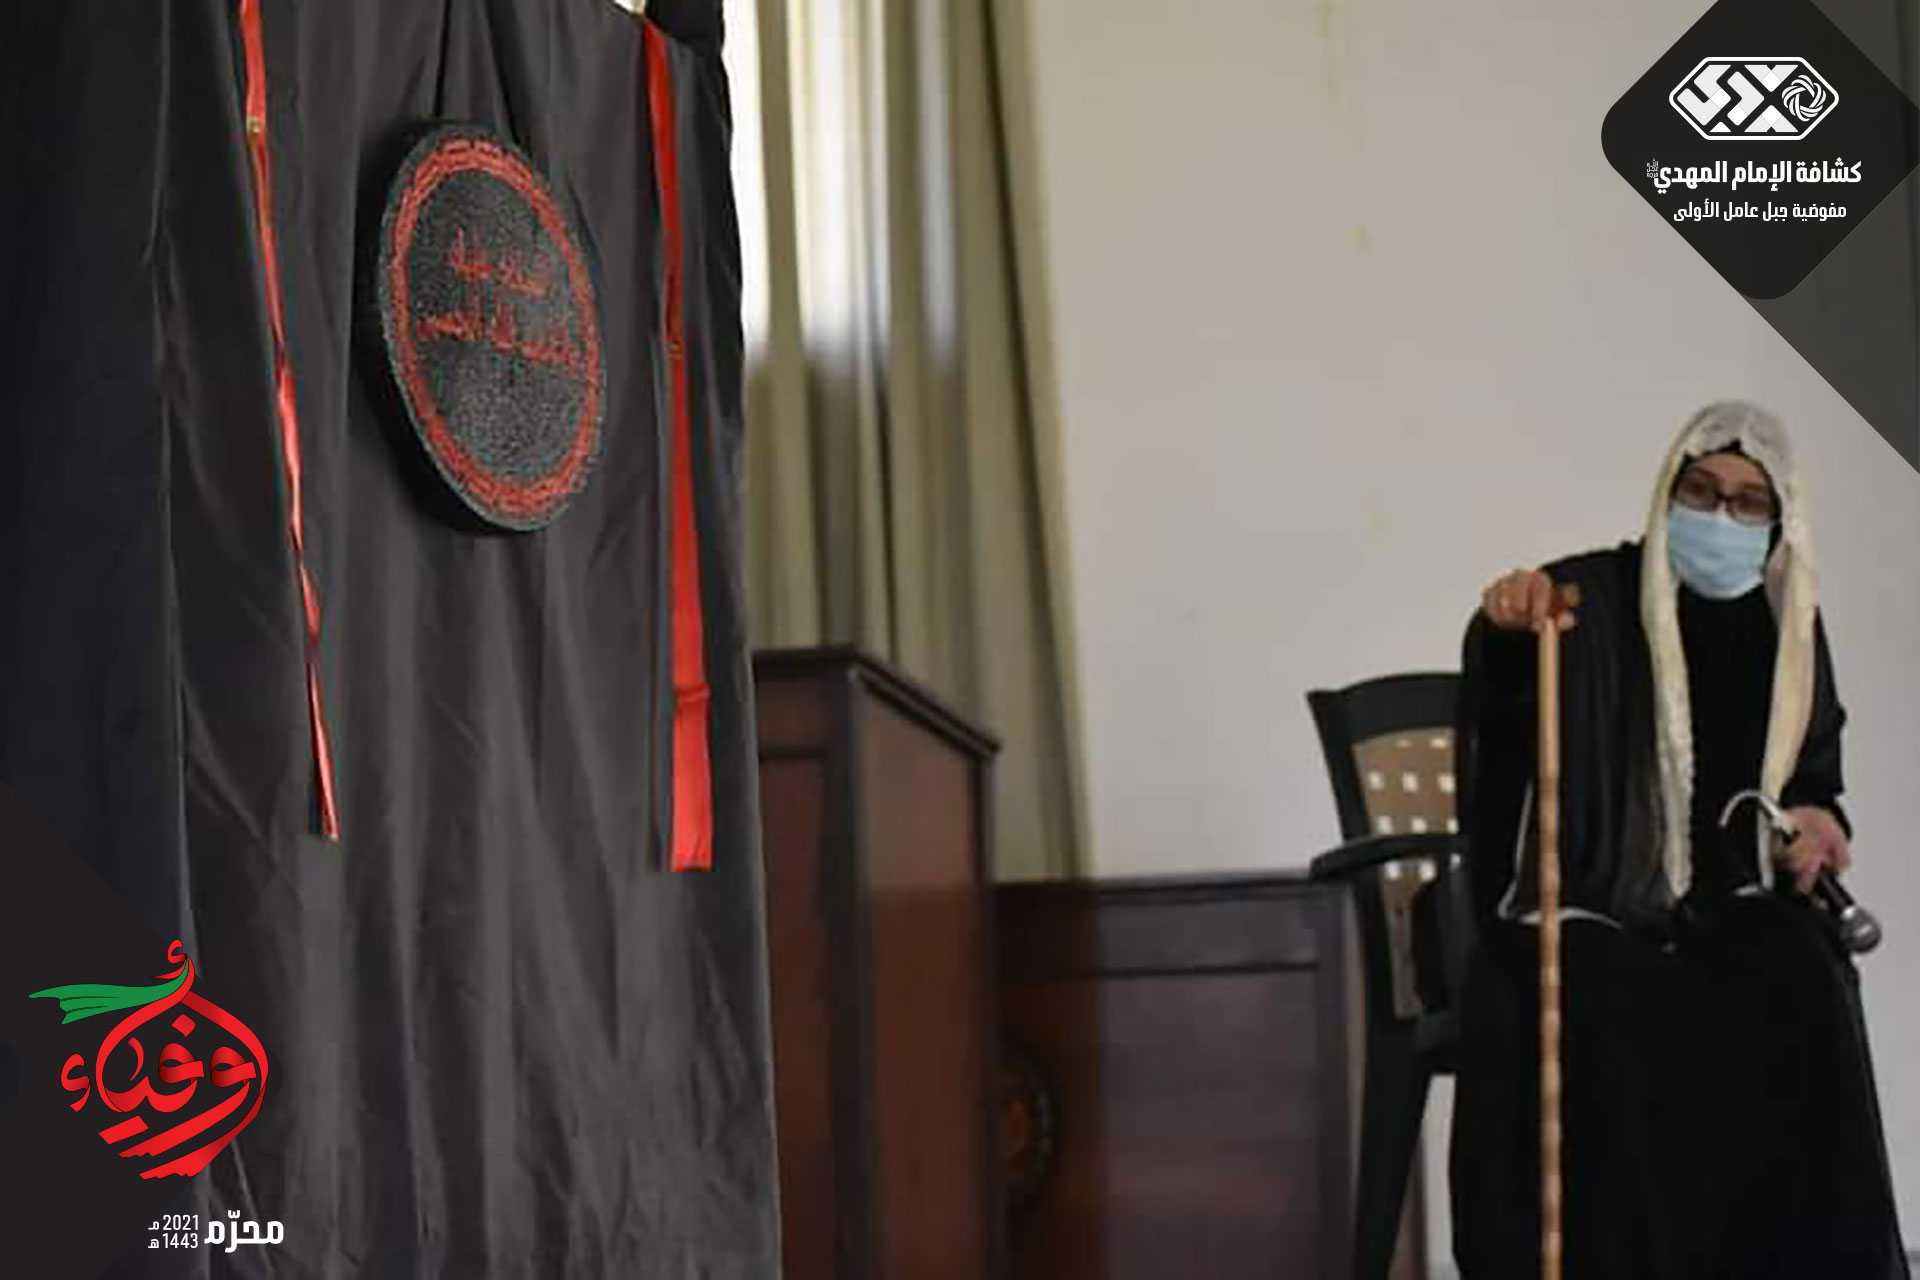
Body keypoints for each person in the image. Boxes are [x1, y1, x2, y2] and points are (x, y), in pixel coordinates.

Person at [1448, 401, 1908, 1279]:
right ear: (1667, 496)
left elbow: (1811, 774)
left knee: (1799, 969)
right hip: (1594, 897)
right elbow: (1506, 704)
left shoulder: (1787, 626)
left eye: (1747, 502)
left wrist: (1818, 820)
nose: (1721, 516)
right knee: (1621, 996)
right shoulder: (1583, 598)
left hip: (1726, 903)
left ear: (1777, 521)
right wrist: (1509, 628)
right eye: (1701, 492)